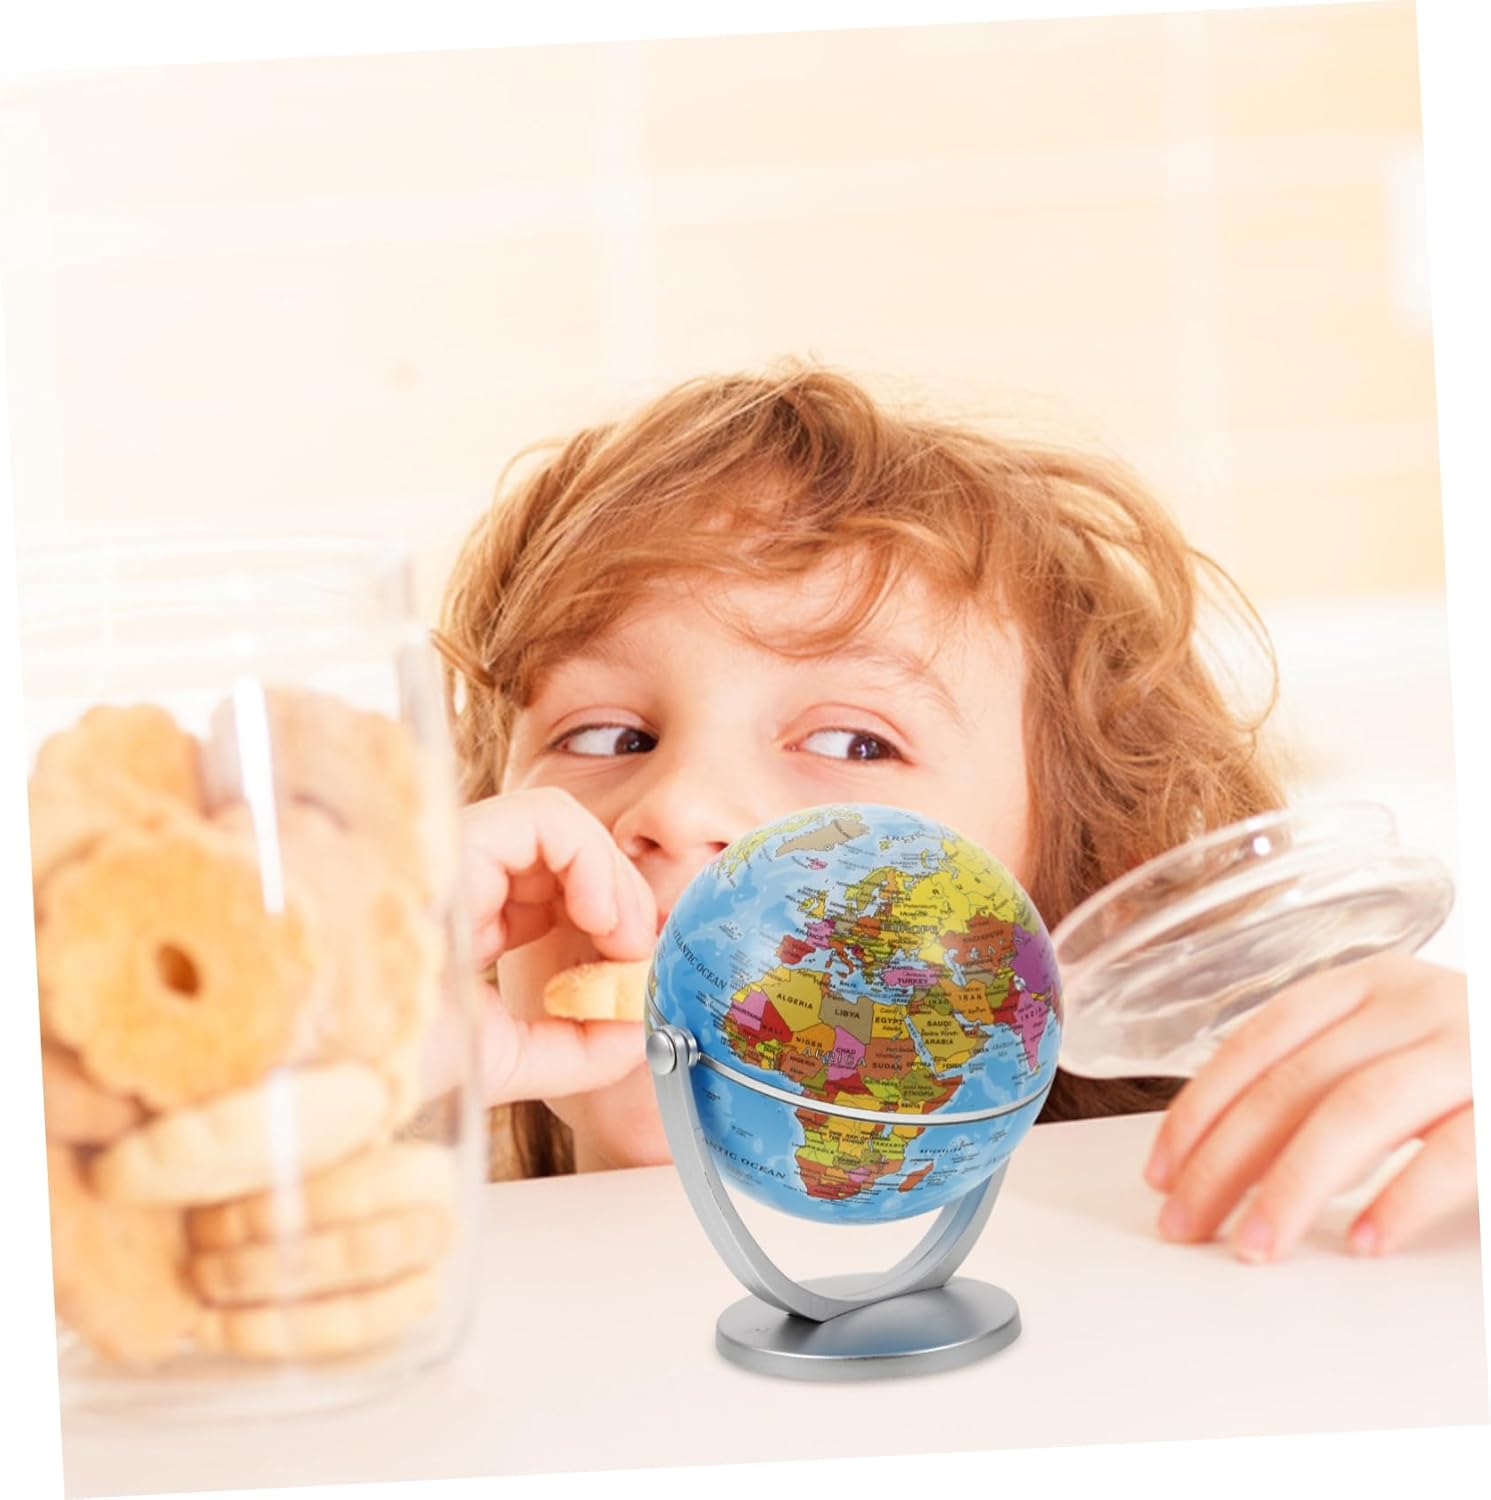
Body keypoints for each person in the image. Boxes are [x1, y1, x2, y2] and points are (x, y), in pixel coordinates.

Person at [432, 363, 1475, 1264]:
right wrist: (372, 1041)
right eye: (606, 736)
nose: (676, 804)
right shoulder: (388, 1223)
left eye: (853, 744)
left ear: (1074, 895)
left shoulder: (1200, 1232)